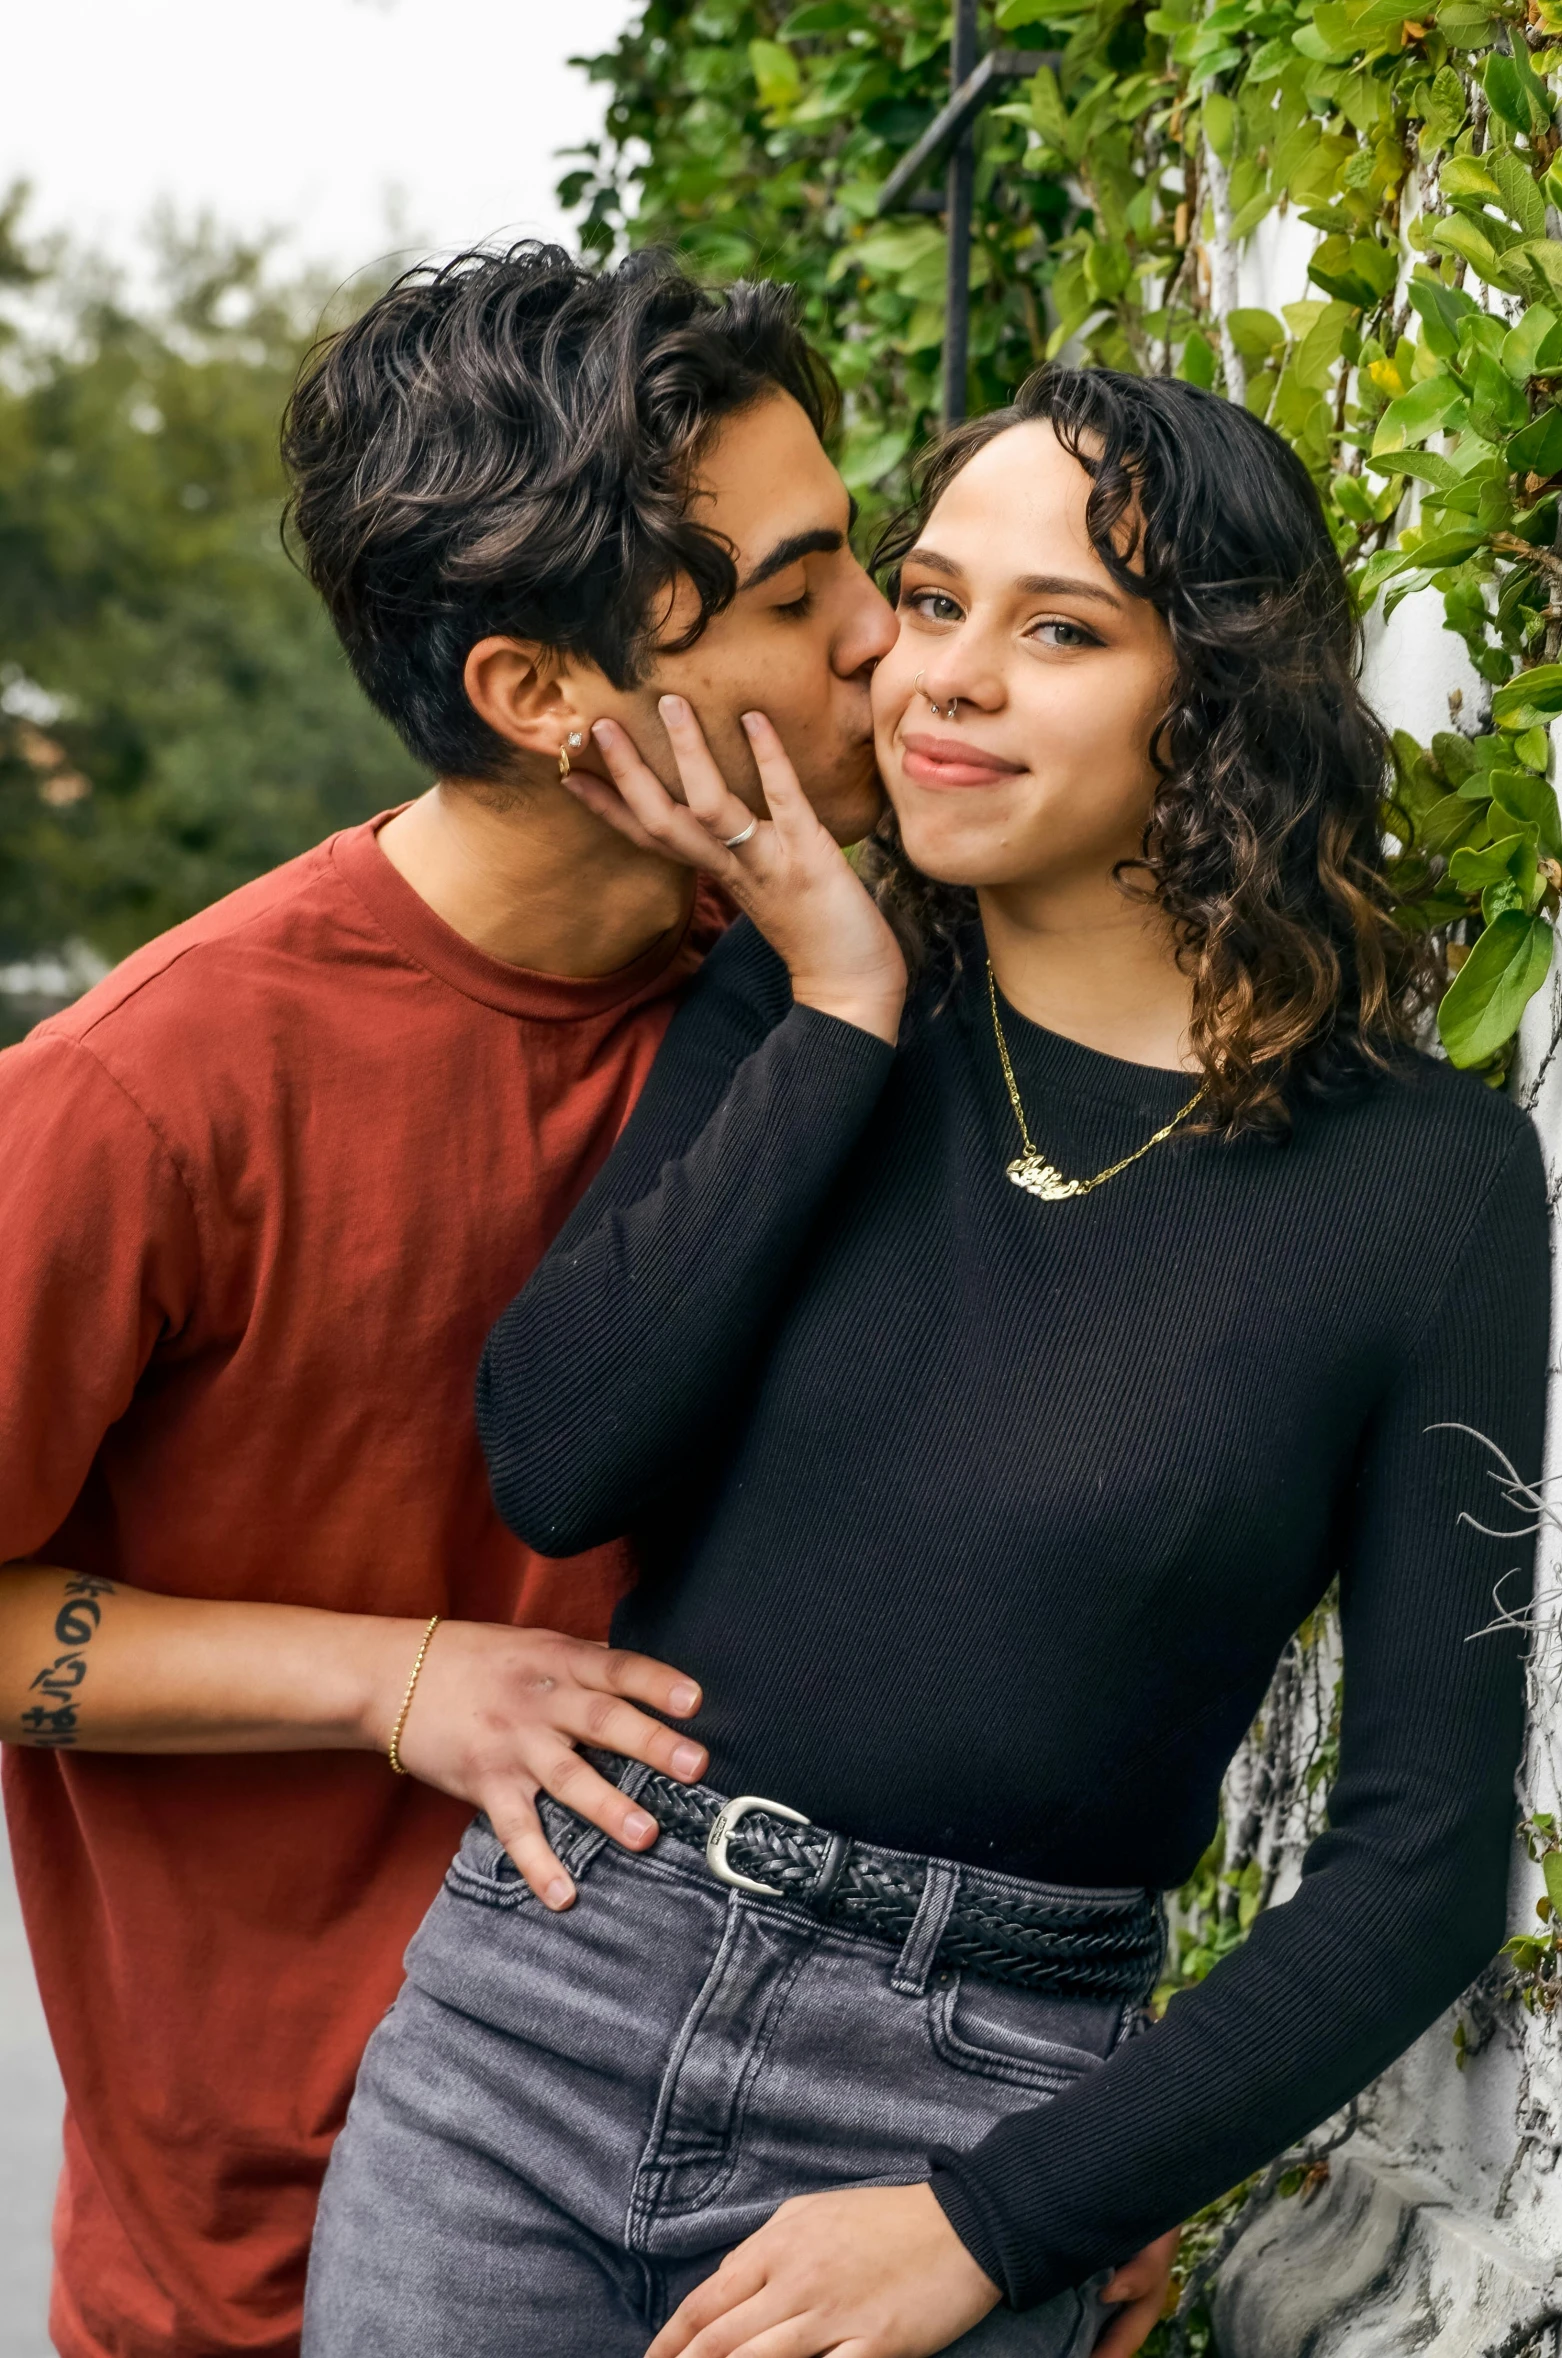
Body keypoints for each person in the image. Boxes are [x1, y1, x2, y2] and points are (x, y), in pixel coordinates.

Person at [304, 363, 1551, 2358]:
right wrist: (841, 1000)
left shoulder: (1431, 1189)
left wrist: (1000, 2222)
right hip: (533, 2033)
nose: (945, 675)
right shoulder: (795, 1000)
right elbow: (560, 1454)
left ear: (1215, 690)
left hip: (964, 2112)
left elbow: (1418, 1862)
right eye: (933, 599)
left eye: (1059, 629)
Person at [0, 242, 903, 2358]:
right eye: (792, 599)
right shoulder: (146, 1095)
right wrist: (392, 1677)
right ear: (539, 692)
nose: (884, 639)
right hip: (288, 2269)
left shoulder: (834, 989)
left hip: (768, 2235)